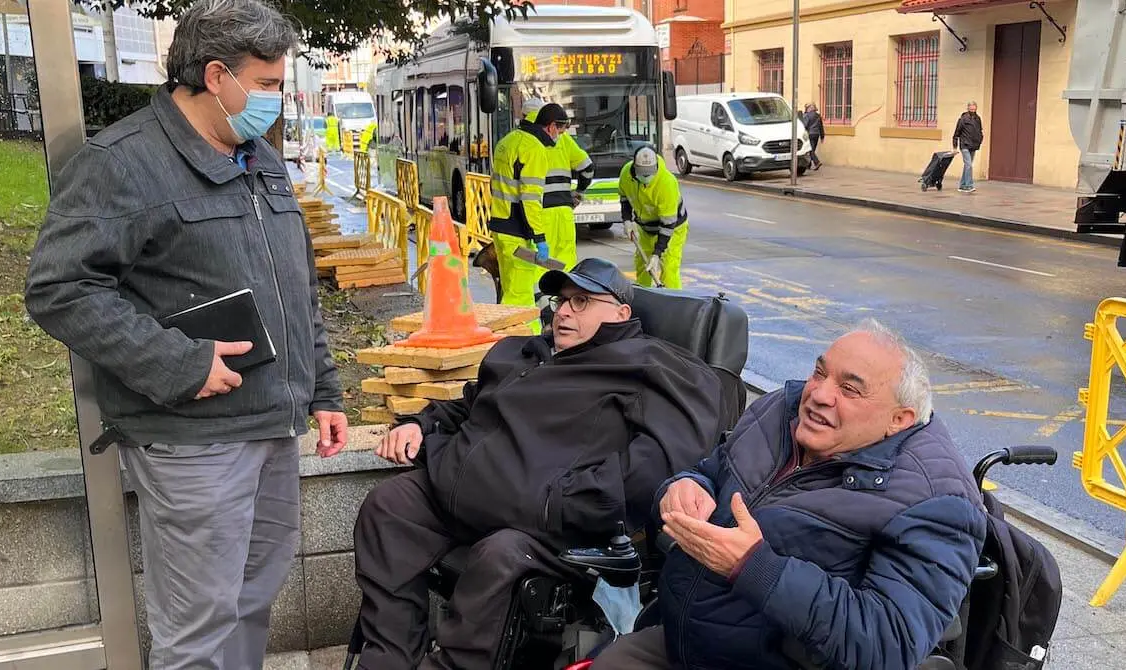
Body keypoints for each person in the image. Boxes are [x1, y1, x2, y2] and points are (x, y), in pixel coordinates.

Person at [23, 1, 348, 668]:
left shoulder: (261, 159)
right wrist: (179, 362)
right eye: (266, 84)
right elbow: (60, 288)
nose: (276, 99)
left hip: (273, 427)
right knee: (197, 631)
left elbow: (296, 287)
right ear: (215, 75)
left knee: (252, 602)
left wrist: (324, 389)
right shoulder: (122, 163)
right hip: (195, 442)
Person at [353, 258, 724, 670]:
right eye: (561, 300)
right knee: (387, 507)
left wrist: (560, 504)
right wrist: (421, 425)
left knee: (501, 557)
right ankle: (388, 659)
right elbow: (471, 405)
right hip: (462, 490)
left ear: (621, 313)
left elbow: (659, 464)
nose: (563, 311)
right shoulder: (530, 354)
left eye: (581, 301)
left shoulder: (647, 366)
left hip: (543, 523)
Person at [593, 319, 988, 670]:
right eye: (820, 373)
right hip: (685, 638)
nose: (817, 394)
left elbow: (889, 642)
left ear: (898, 420)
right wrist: (684, 486)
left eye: (849, 389)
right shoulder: (778, 413)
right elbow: (712, 469)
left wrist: (753, 565)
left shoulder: (937, 503)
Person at [487, 102, 568, 319]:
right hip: (516, 230)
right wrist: (539, 237)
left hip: (501, 224)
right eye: (561, 130)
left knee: (510, 288)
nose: (560, 136)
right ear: (551, 127)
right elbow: (530, 199)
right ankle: (522, 343)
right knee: (520, 297)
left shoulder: (509, 140)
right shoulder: (534, 149)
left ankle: (508, 339)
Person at [522, 98, 595, 269]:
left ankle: (543, 295)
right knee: (566, 260)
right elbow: (587, 168)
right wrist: (579, 192)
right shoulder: (564, 139)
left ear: (524, 115)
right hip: (564, 211)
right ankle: (566, 294)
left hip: (540, 211)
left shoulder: (526, 138)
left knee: (541, 263)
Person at [618, 145, 689, 289]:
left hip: (672, 228)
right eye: (642, 173)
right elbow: (625, 198)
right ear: (635, 167)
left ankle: (673, 303)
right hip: (645, 227)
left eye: (649, 173)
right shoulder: (626, 173)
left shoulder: (667, 183)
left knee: (668, 267)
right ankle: (643, 297)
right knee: (643, 265)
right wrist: (627, 221)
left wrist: (657, 254)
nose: (646, 178)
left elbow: (668, 225)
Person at [953, 101, 984, 193]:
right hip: (965, 145)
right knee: (969, 165)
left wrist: (980, 140)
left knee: (967, 166)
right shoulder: (963, 119)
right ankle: (969, 185)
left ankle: (962, 185)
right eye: (971, 109)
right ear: (968, 108)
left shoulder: (978, 119)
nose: (973, 111)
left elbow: (980, 130)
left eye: (974, 109)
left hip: (974, 145)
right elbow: (956, 134)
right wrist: (955, 147)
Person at [801, 102, 825, 170]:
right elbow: (821, 126)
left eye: (806, 108)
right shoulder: (818, 116)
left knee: (810, 150)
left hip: (810, 134)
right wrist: (822, 136)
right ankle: (808, 164)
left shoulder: (807, 115)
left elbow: (805, 125)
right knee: (812, 149)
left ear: (809, 108)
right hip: (816, 134)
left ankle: (817, 162)